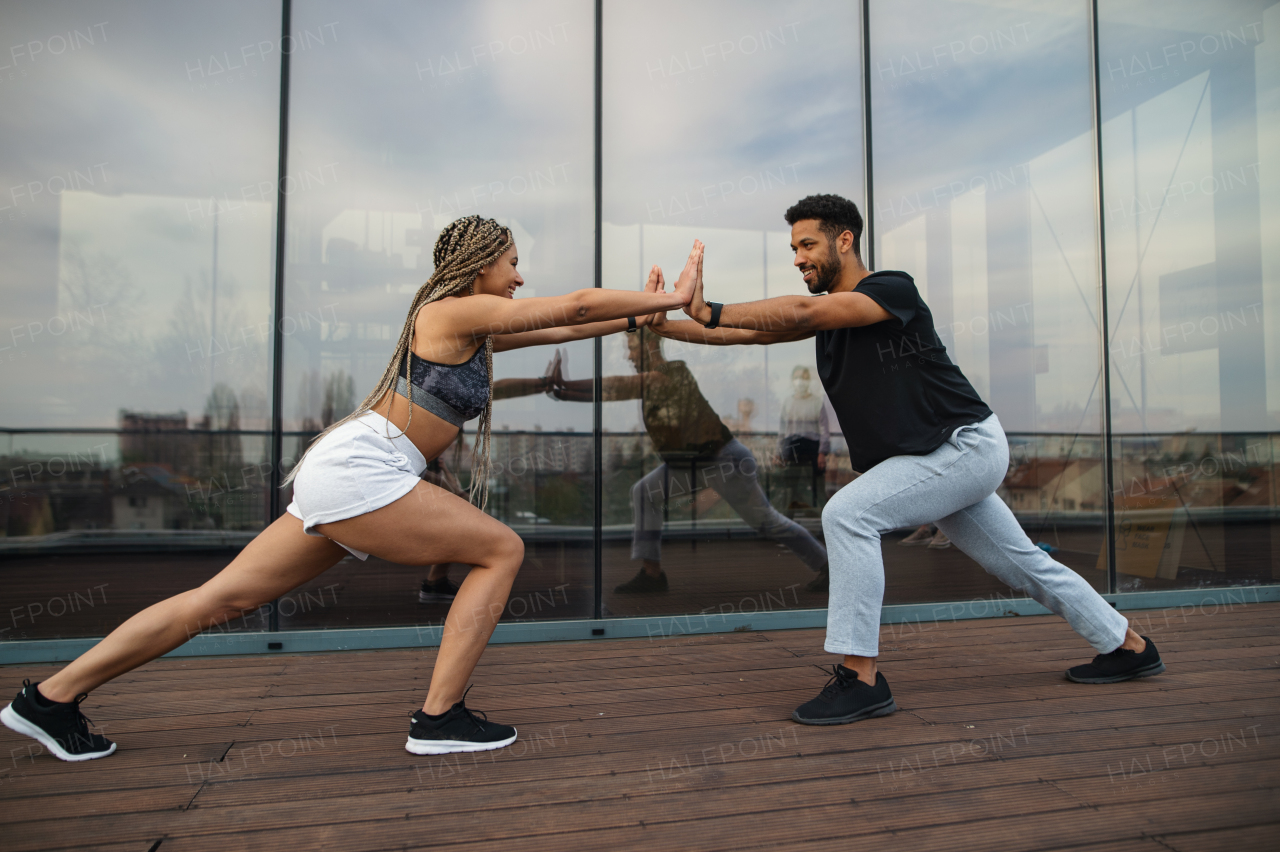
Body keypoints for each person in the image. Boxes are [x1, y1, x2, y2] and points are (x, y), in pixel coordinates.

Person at [2, 215, 702, 761]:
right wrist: (668, 294)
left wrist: (647, 316)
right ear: (481, 263)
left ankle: (50, 698)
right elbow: (574, 306)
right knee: (502, 550)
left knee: (220, 600)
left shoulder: (472, 329)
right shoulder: (449, 310)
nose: (521, 277)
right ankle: (439, 719)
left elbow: (578, 320)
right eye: (513, 263)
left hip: (352, 471)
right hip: (364, 469)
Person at [650, 193, 1164, 727]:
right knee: (1022, 563)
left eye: (806, 244)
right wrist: (663, 325)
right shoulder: (830, 322)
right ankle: (1128, 645)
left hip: (964, 445)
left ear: (843, 240)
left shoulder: (890, 290)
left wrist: (707, 306)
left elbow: (797, 309)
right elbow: (742, 333)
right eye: (793, 248)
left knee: (848, 514)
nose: (798, 257)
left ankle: (862, 677)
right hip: (937, 457)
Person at [549, 322, 828, 594]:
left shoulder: (671, 374)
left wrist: (566, 386)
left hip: (725, 462)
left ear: (648, 345)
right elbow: (619, 389)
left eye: (631, 348)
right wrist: (563, 392)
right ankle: (652, 575)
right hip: (691, 466)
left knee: (768, 522)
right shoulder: (650, 382)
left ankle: (828, 567)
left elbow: (618, 387)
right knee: (645, 492)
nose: (628, 355)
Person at [773, 365, 830, 520]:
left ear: (809, 380)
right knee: (789, 490)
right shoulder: (787, 402)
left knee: (817, 488)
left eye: (804, 377)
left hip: (813, 448)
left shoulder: (817, 402)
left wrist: (822, 453)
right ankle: (788, 529)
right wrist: (779, 452)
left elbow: (824, 430)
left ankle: (824, 528)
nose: (801, 381)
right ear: (792, 380)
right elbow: (782, 430)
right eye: (798, 377)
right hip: (792, 449)